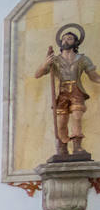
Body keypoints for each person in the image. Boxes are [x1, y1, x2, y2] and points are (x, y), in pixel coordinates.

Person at [35, 25, 100, 158]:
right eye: (64, 38)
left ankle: (77, 147)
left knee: (77, 117)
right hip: (62, 92)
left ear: (76, 42)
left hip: (76, 90)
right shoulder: (55, 60)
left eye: (69, 38)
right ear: (60, 42)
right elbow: (37, 74)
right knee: (61, 122)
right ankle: (63, 147)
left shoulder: (82, 59)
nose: (66, 40)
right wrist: (45, 64)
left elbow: (93, 76)